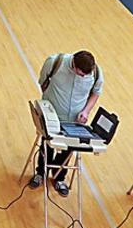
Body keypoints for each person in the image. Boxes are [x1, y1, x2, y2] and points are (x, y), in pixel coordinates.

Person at [29, 51, 104, 197]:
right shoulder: (54, 62)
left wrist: (86, 111)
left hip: (75, 121)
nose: (83, 77)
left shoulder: (96, 72)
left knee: (69, 148)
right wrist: (49, 103)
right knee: (47, 144)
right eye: (81, 74)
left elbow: (96, 93)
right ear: (74, 65)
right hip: (52, 116)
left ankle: (59, 177)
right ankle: (40, 173)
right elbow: (43, 82)